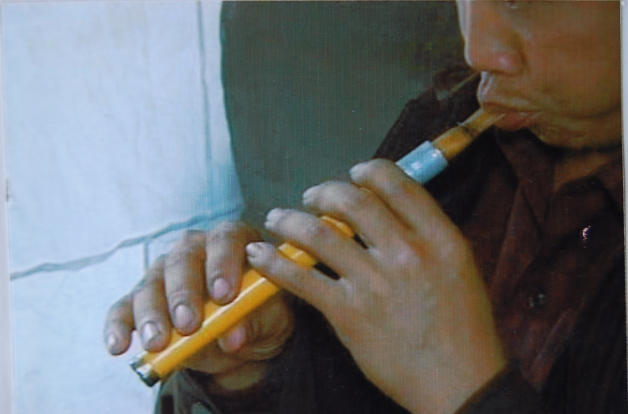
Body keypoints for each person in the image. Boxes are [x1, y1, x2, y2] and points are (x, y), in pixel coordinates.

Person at [104, 2, 625, 413]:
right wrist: (260, 366)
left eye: (523, 0)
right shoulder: (449, 118)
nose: (479, 51)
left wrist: (469, 394)